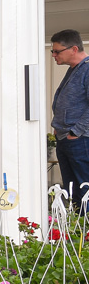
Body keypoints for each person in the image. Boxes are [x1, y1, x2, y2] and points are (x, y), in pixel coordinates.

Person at [50, 29, 89, 210]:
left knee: (84, 187)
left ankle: (85, 224)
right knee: (71, 189)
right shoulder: (74, 70)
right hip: (66, 138)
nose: (54, 55)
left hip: (80, 140)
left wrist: (76, 131)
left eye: (57, 51)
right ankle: (76, 224)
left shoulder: (87, 69)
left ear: (74, 49)